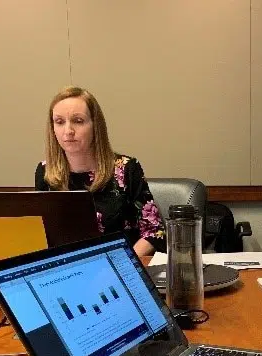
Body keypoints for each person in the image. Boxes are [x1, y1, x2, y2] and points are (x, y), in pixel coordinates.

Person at [35, 86, 165, 256]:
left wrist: (125, 263)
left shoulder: (126, 169)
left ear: (95, 126)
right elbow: (43, 237)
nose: (68, 131)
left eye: (78, 121)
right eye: (59, 122)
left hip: (121, 263)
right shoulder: (45, 172)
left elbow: (153, 232)